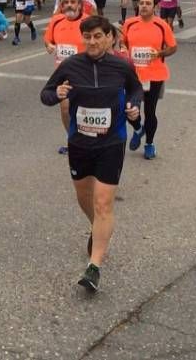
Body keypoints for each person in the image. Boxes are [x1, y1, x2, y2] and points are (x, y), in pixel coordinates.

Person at [41, 15, 143, 292]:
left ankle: (94, 266)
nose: (92, 41)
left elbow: (136, 90)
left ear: (110, 37)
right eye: (88, 36)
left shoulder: (122, 66)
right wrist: (58, 93)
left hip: (111, 143)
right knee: (85, 199)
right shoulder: (71, 65)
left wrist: (133, 106)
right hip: (79, 143)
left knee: (103, 203)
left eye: (98, 36)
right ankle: (99, 228)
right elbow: (46, 94)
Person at [121, 0, 177, 160]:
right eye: (142, 3)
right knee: (128, 109)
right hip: (132, 75)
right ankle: (139, 129)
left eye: (148, 3)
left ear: (155, 7)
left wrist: (159, 53)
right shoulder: (130, 23)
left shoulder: (161, 25)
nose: (144, 6)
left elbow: (173, 47)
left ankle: (149, 144)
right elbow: (122, 42)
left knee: (149, 111)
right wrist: (123, 49)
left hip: (154, 75)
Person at [44, 0, 86, 155]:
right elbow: (48, 39)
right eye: (66, 2)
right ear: (61, 5)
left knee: (84, 110)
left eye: (73, 2)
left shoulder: (87, 21)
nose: (69, 5)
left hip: (85, 73)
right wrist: (48, 45)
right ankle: (73, 140)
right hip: (64, 75)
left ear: (79, 5)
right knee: (65, 109)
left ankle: (88, 141)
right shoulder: (56, 20)